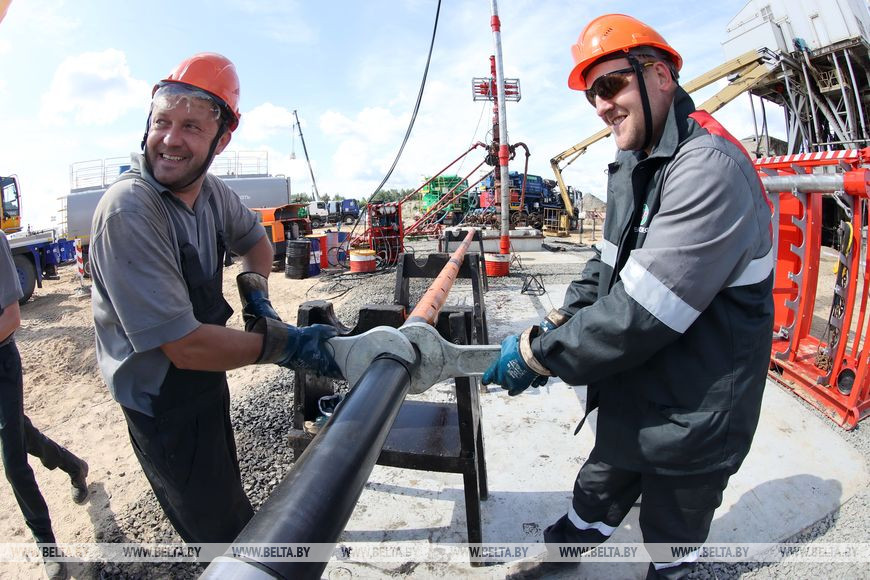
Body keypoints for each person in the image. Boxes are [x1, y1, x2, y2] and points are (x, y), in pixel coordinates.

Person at [483, 14, 774, 578]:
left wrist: (541, 356)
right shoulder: (634, 163)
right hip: (638, 385)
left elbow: (643, 311)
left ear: (660, 75)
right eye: (591, 94)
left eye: (611, 84)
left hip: (697, 406)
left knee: (672, 532)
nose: (601, 105)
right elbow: (606, 262)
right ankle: (563, 552)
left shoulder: (708, 168)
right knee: (596, 490)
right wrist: (561, 318)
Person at [90, 53, 341, 544]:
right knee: (218, 533)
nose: (170, 139)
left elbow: (257, 244)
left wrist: (256, 298)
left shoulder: (210, 194)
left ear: (221, 139)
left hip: (206, 375)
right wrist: (289, 345)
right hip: (162, 402)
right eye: (162, 122)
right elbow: (184, 346)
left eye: (191, 127)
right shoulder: (131, 210)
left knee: (227, 493)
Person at [0, 231, 89, 580]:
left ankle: (47, 546)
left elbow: (11, 318)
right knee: (21, 434)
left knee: (13, 463)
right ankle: (73, 465)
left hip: (2, 364)